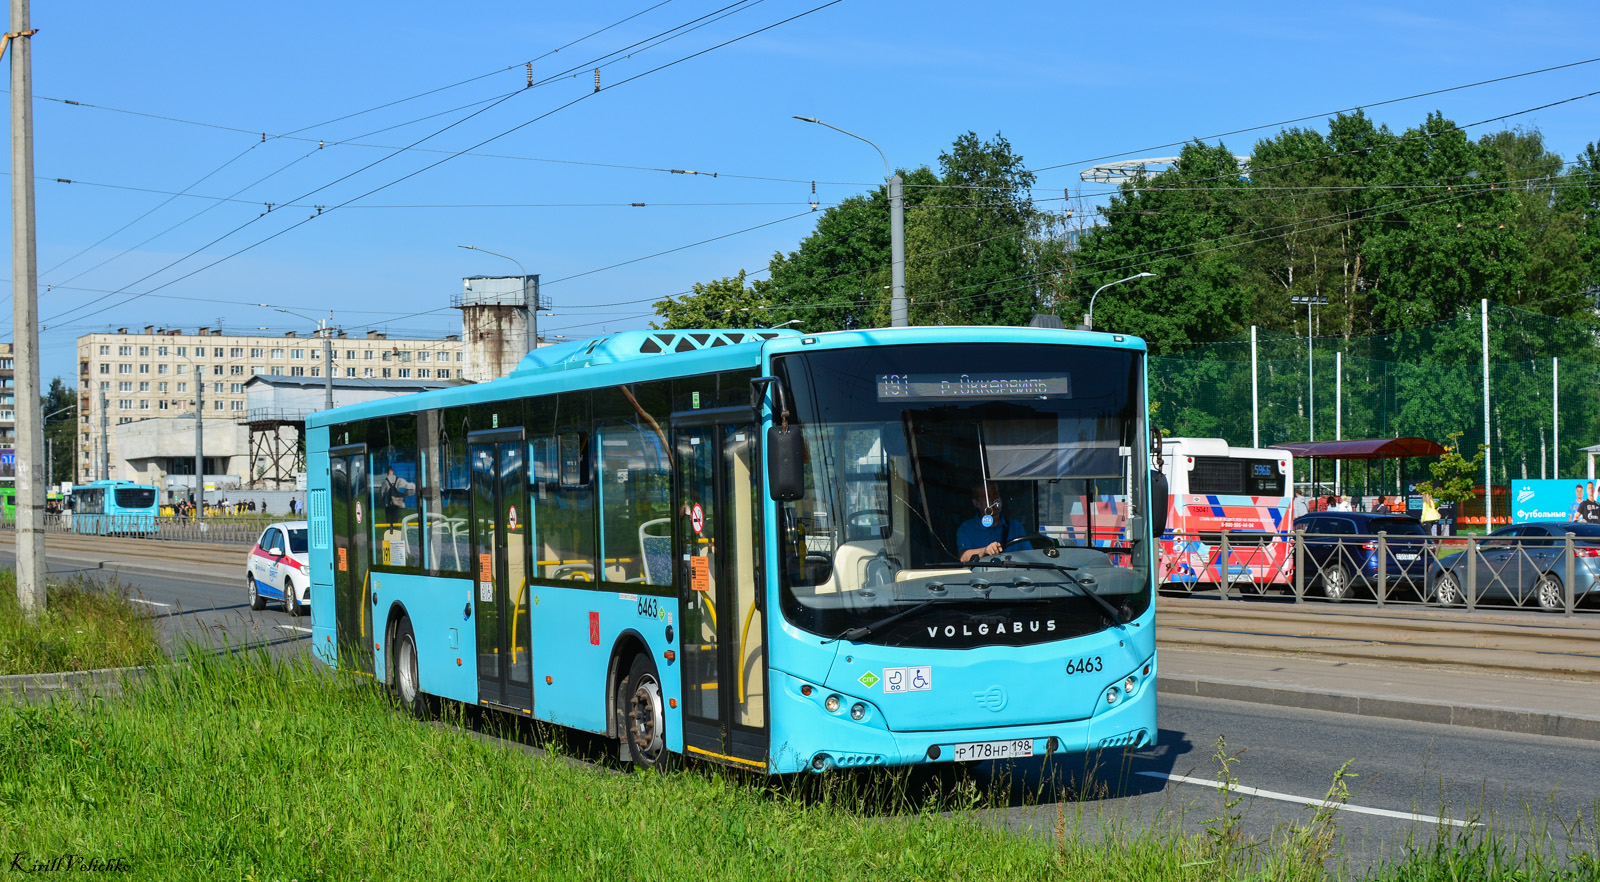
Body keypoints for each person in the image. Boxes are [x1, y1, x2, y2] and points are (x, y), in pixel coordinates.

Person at [957, 482, 1026, 562]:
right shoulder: (966, 528)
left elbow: (1029, 556)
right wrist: (985, 551)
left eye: (996, 494)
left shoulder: (1016, 526)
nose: (994, 499)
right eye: (988, 496)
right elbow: (963, 557)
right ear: (976, 503)